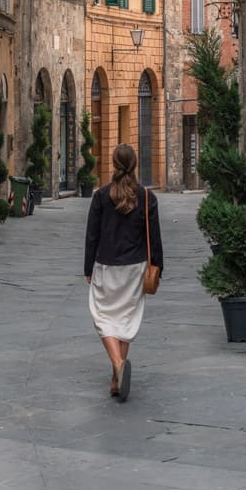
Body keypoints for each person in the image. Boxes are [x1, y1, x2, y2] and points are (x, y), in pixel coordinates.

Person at [83, 143, 164, 402]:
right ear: (135, 164)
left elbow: (92, 236)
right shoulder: (147, 197)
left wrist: (87, 268)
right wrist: (159, 266)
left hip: (106, 265)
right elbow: (155, 237)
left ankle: (117, 365)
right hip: (135, 267)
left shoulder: (100, 196)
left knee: (103, 317)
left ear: (113, 164)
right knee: (125, 318)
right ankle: (116, 375)